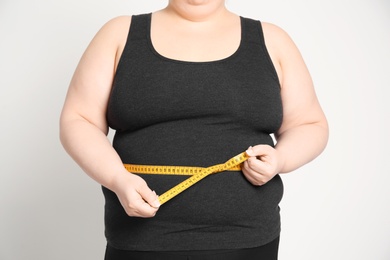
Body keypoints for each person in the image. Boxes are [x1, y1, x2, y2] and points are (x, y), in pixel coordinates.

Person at [60, 1, 328, 259]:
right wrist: (117, 178)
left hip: (247, 240)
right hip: (140, 240)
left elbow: (309, 124)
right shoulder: (118, 34)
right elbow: (79, 119)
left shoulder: (273, 41)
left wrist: (280, 159)